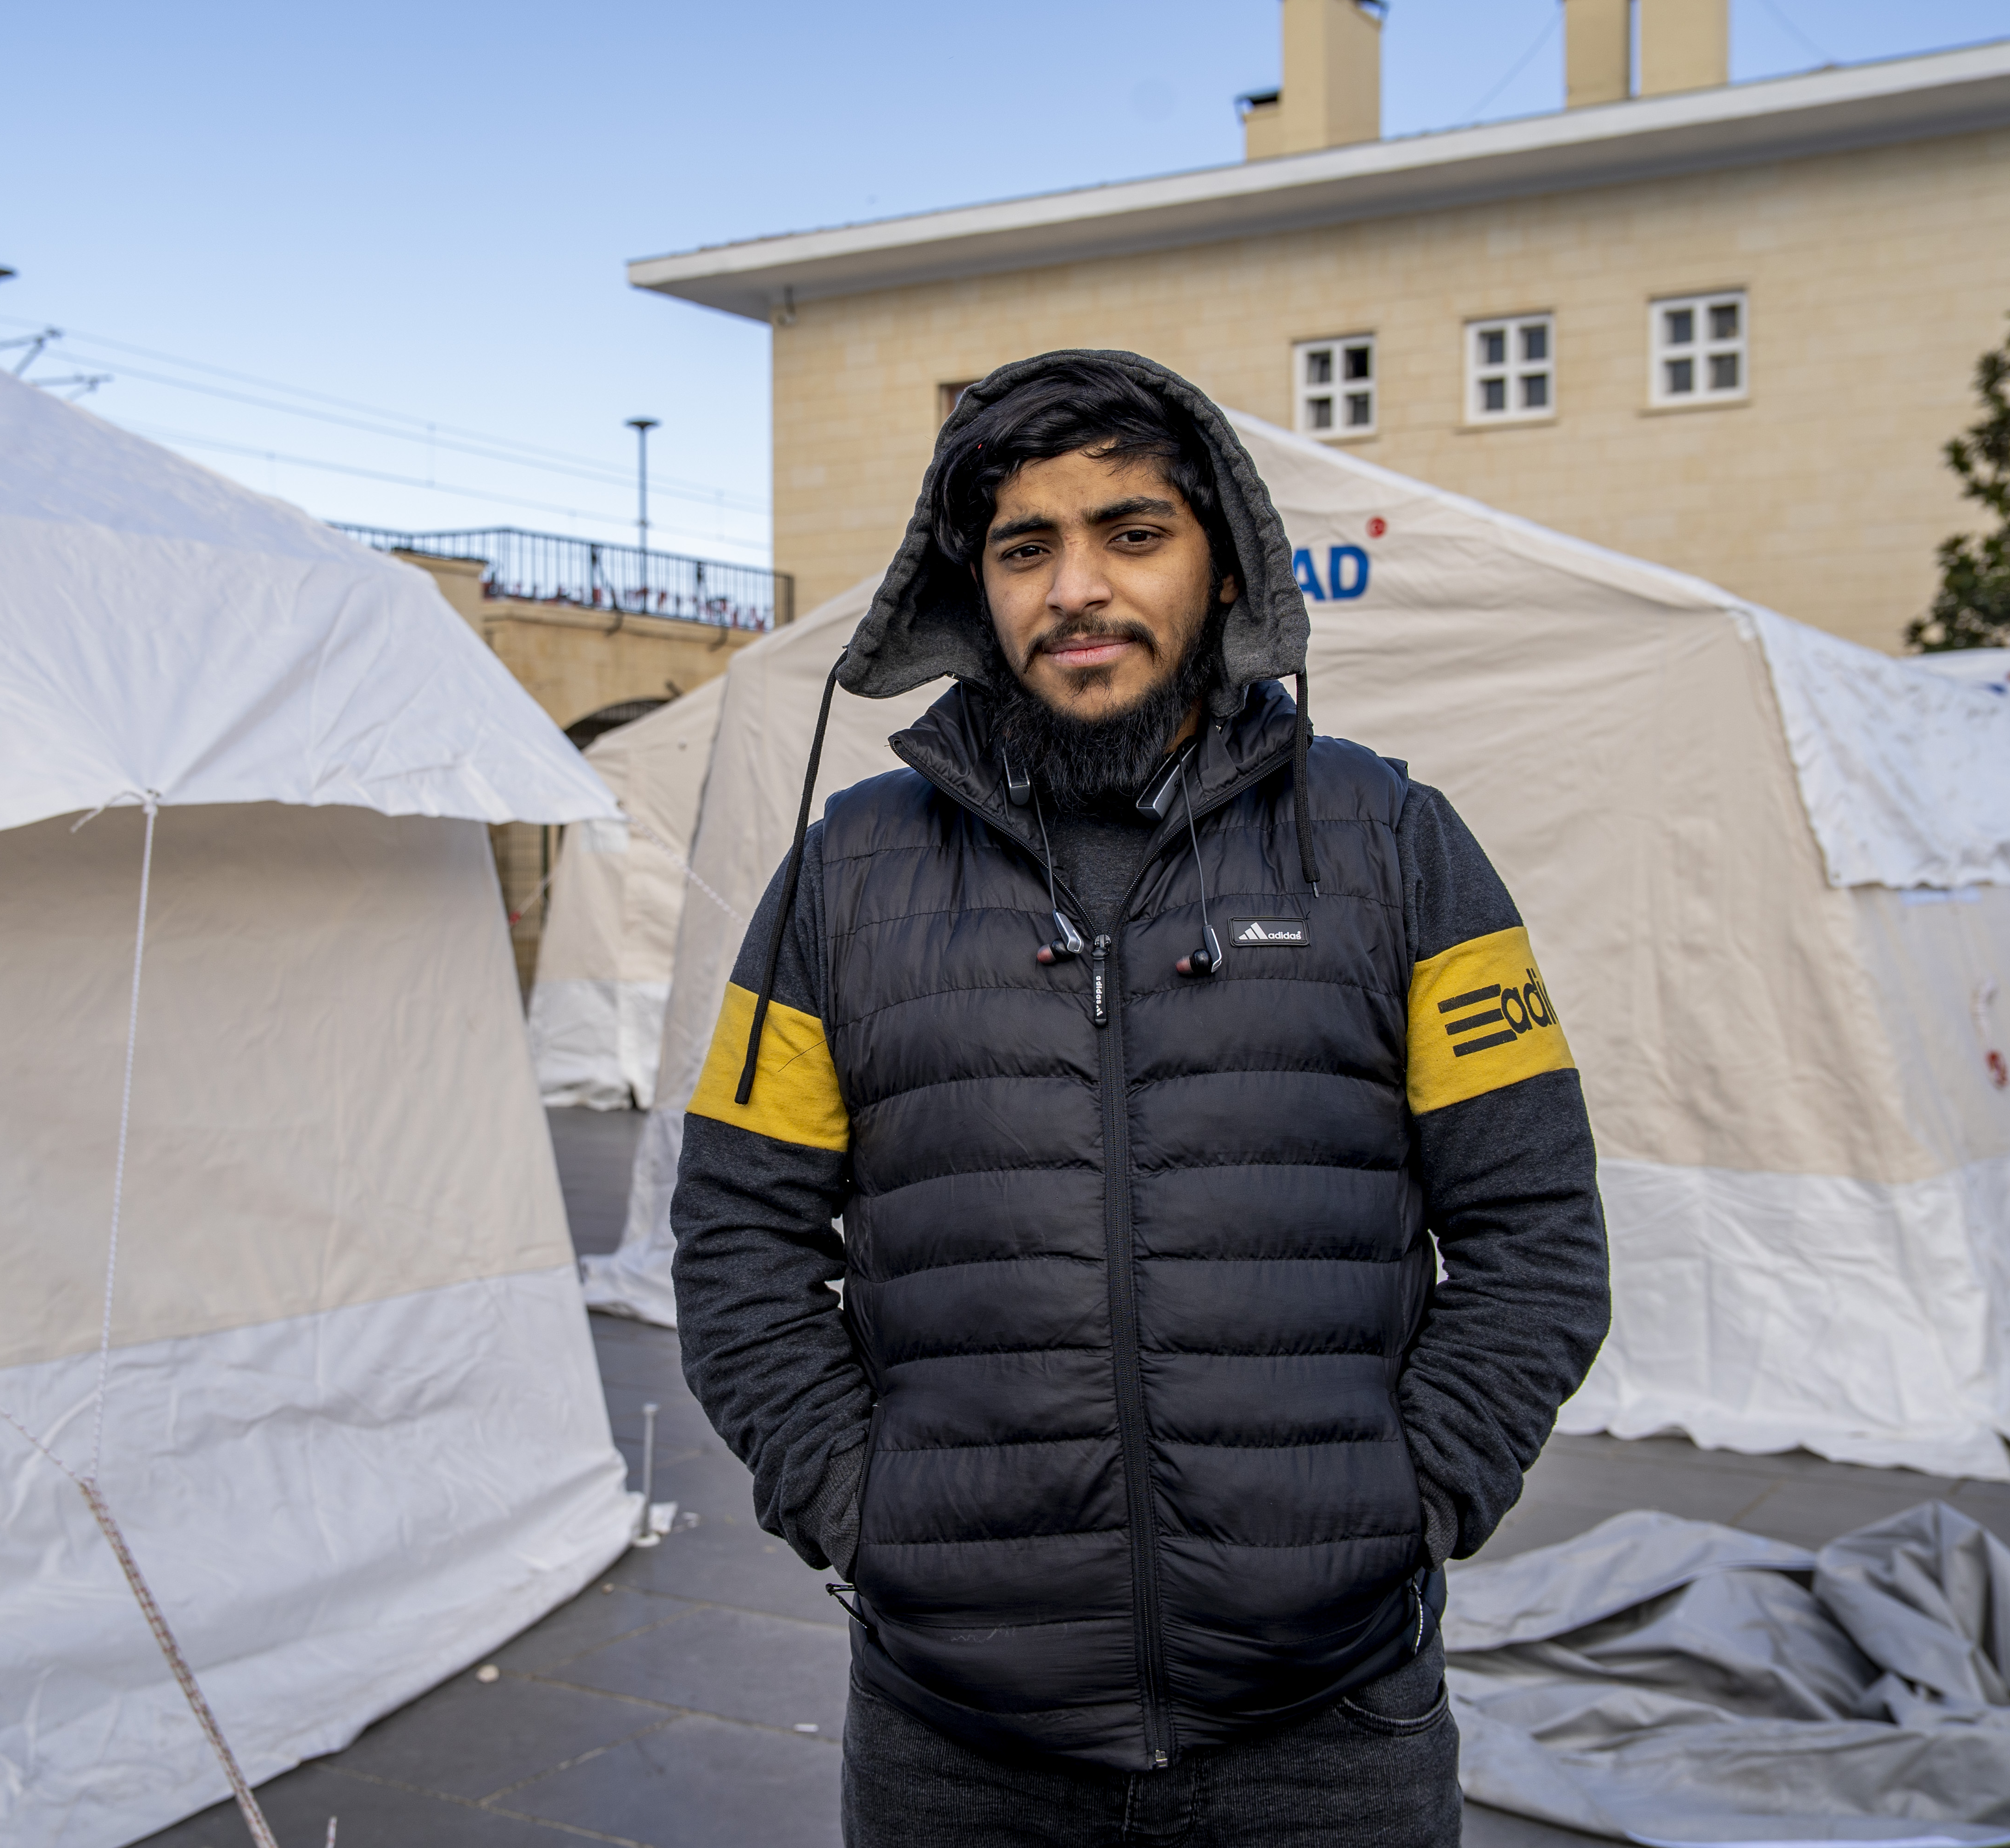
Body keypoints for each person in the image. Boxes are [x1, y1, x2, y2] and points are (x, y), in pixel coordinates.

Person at [670, 350, 1609, 1846]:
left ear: (1221, 564)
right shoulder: (842, 877)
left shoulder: (1394, 843)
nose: (1076, 589)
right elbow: (734, 1242)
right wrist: (863, 1510)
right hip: (953, 1738)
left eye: (1131, 533)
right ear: (971, 589)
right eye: (1025, 548)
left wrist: (1404, 1504)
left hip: (1328, 1733)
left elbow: (1538, 1230)